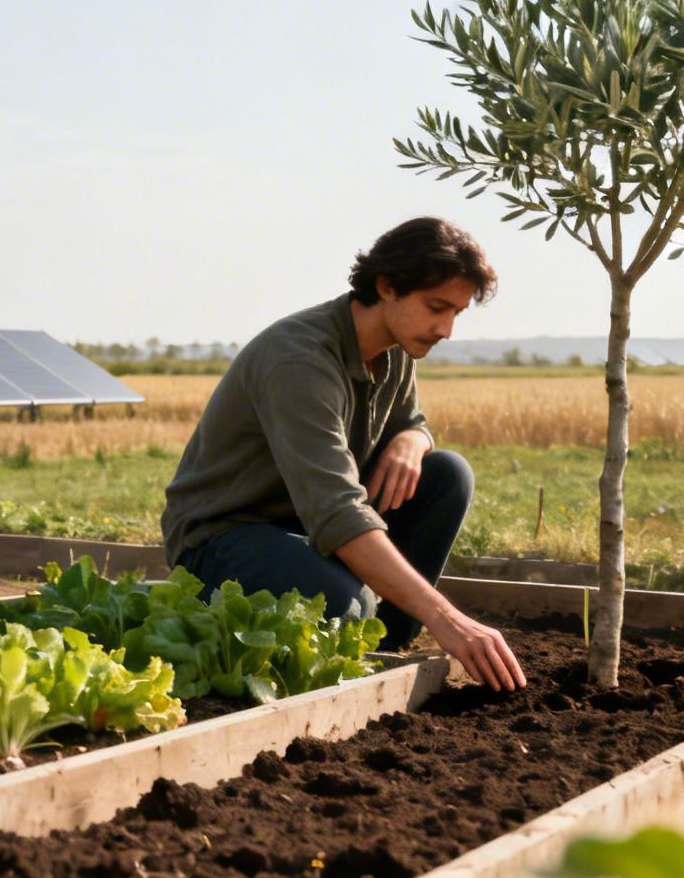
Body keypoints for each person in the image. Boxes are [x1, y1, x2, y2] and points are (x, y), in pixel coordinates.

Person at [161, 216, 527, 691]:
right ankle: (360, 620)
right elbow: (337, 512)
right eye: (437, 307)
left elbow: (412, 423)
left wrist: (413, 439)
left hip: (304, 529)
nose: (446, 329)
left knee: (446, 475)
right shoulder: (300, 360)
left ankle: (384, 644)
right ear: (386, 286)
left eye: (456, 312)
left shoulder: (394, 350)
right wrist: (447, 618)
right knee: (345, 604)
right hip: (225, 539)